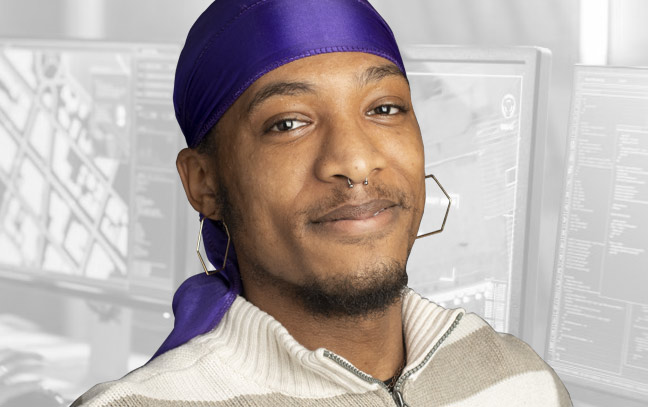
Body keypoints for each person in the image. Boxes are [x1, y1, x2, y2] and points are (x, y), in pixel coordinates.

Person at [73, 0, 572, 406]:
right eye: (288, 122)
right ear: (204, 183)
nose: (355, 161)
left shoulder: (523, 383)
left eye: (384, 108)